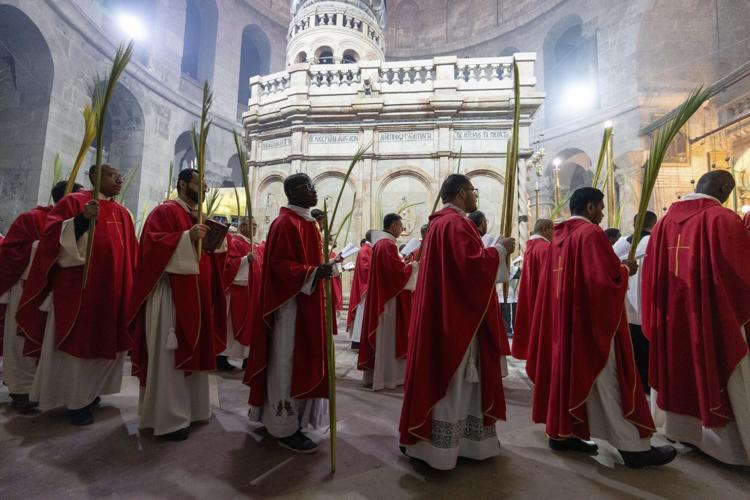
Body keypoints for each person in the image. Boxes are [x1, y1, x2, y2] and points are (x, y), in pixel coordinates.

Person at [533, 187, 675, 468]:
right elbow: (602, 284)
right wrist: (625, 271)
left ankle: (563, 434)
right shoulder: (591, 234)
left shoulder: (560, 235)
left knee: (570, 377)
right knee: (611, 380)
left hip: (566, 323)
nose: (601, 213)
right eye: (600, 207)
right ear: (589, 208)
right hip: (592, 324)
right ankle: (634, 448)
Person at [399, 174, 515, 470]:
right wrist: (501, 250)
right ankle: (446, 450)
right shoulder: (457, 224)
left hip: (443, 314)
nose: (476, 197)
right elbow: (471, 267)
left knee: (448, 381)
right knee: (455, 382)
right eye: (473, 191)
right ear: (462, 193)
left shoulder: (439, 224)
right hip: (457, 320)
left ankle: (444, 445)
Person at [642, 170, 750, 466]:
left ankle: (683, 432)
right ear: (726, 188)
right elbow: (740, 274)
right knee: (722, 367)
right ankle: (730, 449)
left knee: (680, 368)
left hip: (672, 319)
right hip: (711, 318)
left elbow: (649, 278)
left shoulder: (663, 223)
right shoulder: (723, 219)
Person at [17, 166, 137, 426]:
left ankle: (90, 393)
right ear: (94, 177)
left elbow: (131, 254)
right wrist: (81, 220)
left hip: (112, 291)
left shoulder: (123, 213)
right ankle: (75, 401)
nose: (118, 179)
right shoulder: (75, 202)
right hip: (80, 289)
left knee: (104, 344)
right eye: (110, 174)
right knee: (79, 345)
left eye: (120, 176)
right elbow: (51, 240)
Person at [129, 168, 228, 441]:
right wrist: (187, 237)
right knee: (170, 357)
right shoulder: (165, 212)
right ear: (183, 184)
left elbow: (209, 255)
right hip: (170, 295)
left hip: (196, 294)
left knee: (193, 350)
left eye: (207, 184)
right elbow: (150, 247)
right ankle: (169, 418)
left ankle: (194, 410)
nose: (206, 189)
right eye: (201, 183)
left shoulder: (196, 215)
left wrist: (216, 240)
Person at [245, 173, 333, 454]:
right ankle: (283, 426)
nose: (313, 191)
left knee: (302, 359)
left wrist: (321, 271)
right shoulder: (285, 223)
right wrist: (312, 273)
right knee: (286, 361)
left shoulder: (306, 222)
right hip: (289, 306)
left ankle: (297, 416)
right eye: (308, 187)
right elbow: (279, 266)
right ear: (293, 191)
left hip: (305, 301)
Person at [0, 181, 83, 413]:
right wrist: (45, 248)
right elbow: (12, 252)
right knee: (22, 338)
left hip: (58, 290)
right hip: (28, 289)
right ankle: (20, 389)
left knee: (50, 342)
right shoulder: (32, 218)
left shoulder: (78, 224)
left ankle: (47, 388)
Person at [358, 214, 416, 390]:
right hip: (389, 302)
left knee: (387, 338)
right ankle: (388, 377)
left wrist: (403, 265)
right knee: (389, 338)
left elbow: (391, 269)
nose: (402, 229)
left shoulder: (383, 244)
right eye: (400, 225)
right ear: (393, 225)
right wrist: (414, 267)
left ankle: (383, 376)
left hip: (387, 298)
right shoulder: (387, 245)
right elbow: (394, 274)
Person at [613, 211, 658, 393]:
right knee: (648, 344)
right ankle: (649, 383)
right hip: (648, 298)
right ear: (654, 224)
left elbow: (612, 259)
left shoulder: (623, 242)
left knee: (634, 344)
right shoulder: (653, 240)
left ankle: (636, 382)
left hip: (627, 300)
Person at [220, 216, 261, 370]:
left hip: (251, 293)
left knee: (249, 328)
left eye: (256, 226)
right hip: (238, 294)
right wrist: (245, 260)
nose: (255, 228)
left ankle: (247, 359)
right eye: (252, 225)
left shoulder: (253, 245)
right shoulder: (236, 242)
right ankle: (222, 360)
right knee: (231, 328)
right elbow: (228, 265)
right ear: (242, 226)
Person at [511, 218, 553, 361]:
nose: (554, 233)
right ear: (545, 229)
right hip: (542, 297)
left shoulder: (530, 246)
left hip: (530, 292)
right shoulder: (545, 248)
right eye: (552, 229)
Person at [347, 231, 373, 350]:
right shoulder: (365, 249)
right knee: (361, 315)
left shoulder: (369, 248)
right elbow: (366, 268)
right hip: (365, 288)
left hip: (368, 287)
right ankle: (358, 341)